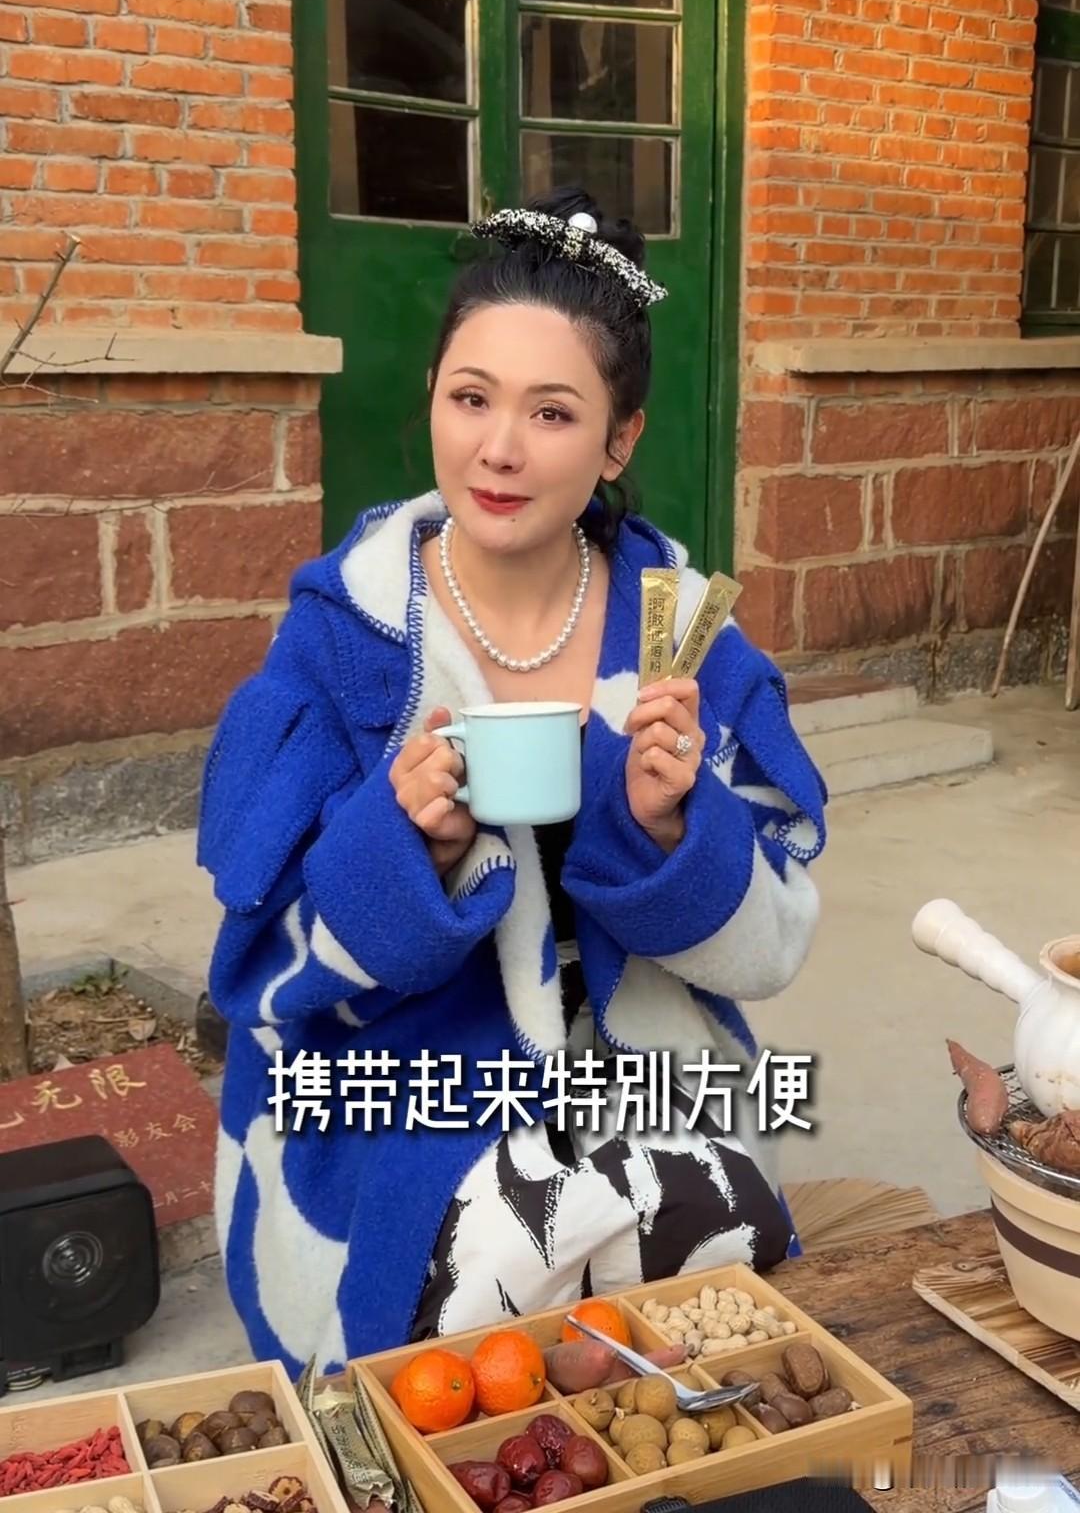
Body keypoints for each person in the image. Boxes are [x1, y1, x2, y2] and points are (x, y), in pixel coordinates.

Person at [198, 186, 827, 1374]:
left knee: (707, 1270)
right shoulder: (348, 637)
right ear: (434, 394)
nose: (498, 448)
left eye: (552, 412)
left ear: (619, 439)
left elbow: (774, 938)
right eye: (471, 397)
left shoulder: (682, 637)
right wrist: (409, 852)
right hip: (399, 1077)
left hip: (638, 1060)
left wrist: (672, 832)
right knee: (481, 1294)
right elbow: (262, 970)